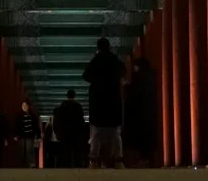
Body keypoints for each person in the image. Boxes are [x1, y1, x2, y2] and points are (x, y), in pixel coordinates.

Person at [82, 38, 126, 169]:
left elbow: (86, 76)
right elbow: (123, 71)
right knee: (114, 133)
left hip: (98, 101)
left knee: (96, 132)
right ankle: (118, 159)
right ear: (109, 47)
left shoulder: (96, 61)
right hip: (113, 100)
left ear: (98, 47)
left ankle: (94, 159)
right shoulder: (114, 60)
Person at [123, 57, 157, 167]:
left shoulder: (138, 77)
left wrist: (126, 87)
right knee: (148, 136)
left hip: (138, 114)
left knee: (139, 137)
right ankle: (147, 159)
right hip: (150, 112)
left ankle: (141, 160)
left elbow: (133, 95)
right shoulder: (152, 77)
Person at [54, 89, 86, 167]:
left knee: (65, 152)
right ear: (74, 96)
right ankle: (77, 166)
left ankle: (66, 167)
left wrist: (57, 133)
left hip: (64, 133)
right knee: (76, 152)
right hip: (76, 133)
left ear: (67, 96)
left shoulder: (62, 106)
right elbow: (82, 121)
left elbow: (57, 121)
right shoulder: (78, 106)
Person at [14, 100, 41, 168]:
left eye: (25, 105)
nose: (24, 107)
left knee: (29, 150)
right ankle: (22, 165)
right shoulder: (18, 115)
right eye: (23, 105)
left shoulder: (32, 115)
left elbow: (36, 126)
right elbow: (15, 126)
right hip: (21, 136)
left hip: (30, 136)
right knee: (22, 151)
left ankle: (32, 164)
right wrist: (15, 135)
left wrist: (38, 136)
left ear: (28, 106)